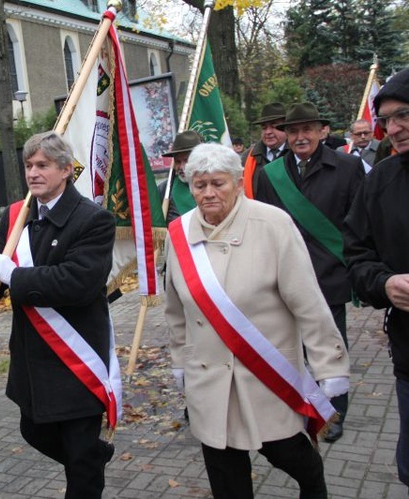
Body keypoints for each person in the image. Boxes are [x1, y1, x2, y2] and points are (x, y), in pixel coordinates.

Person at [165, 143, 350, 499]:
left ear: (237, 182)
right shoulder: (179, 233)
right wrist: (179, 364)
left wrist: (330, 366)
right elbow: (176, 312)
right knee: (226, 479)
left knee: (296, 461)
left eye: (217, 183)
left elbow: (308, 303)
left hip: (266, 375)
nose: (208, 193)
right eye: (199, 185)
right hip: (209, 381)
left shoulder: (273, 223)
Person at [0, 131, 119, 498]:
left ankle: (87, 464)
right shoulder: (17, 216)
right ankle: (92, 457)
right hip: (32, 359)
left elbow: (80, 282)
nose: (33, 173)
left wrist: (18, 278)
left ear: (65, 170)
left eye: (42, 165)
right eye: (29, 165)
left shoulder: (93, 219)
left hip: (75, 358)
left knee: (79, 464)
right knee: (35, 430)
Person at [255, 102, 364, 442]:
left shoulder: (347, 167)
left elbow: (358, 223)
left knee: (331, 345)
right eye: (294, 131)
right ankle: (302, 406)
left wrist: (350, 265)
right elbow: (264, 227)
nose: (300, 137)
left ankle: (334, 414)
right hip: (287, 277)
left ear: (322, 131)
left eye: (307, 130)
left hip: (330, 273)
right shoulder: (270, 175)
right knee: (292, 346)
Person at [344, 67, 409, 492]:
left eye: (403, 115)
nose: (394, 128)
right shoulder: (382, 179)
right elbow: (357, 253)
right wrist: (383, 283)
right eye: (387, 120)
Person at [242, 102, 288, 198]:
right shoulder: (248, 157)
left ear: (286, 128)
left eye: (273, 126)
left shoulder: (296, 154)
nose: (268, 132)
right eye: (264, 128)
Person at [156, 130, 203, 224]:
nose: (182, 167)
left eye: (186, 160)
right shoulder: (165, 189)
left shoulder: (213, 186)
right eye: (178, 161)